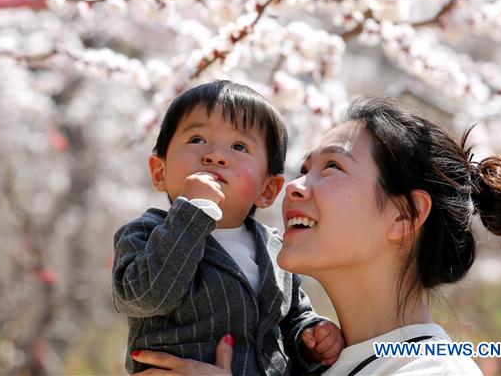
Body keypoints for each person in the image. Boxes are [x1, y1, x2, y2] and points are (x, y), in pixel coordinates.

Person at [132, 97, 501, 375]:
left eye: (333, 167)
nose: (295, 187)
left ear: (405, 215)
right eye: (304, 169)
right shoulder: (309, 361)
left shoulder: (433, 370)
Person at [112, 81, 344, 375]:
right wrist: (193, 214)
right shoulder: (143, 234)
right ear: (160, 172)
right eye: (197, 139)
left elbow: (291, 316)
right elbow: (145, 297)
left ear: (268, 190)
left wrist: (311, 333)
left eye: (238, 146)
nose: (214, 156)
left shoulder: (276, 249)